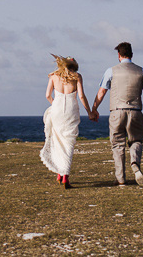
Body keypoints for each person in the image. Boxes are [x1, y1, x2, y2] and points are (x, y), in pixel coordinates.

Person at [91, 42, 143, 186]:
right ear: (132, 54)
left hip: (117, 112)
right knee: (136, 140)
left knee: (118, 145)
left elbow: (101, 92)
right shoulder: (142, 71)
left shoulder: (111, 71)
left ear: (119, 55)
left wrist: (94, 109)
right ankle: (134, 163)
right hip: (136, 111)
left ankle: (121, 179)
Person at [40, 54, 93, 189]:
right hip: (71, 110)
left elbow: (47, 95)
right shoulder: (77, 76)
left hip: (57, 110)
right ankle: (65, 177)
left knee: (58, 142)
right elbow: (81, 96)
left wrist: (55, 105)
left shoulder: (53, 76)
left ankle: (59, 173)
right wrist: (89, 112)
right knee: (69, 142)